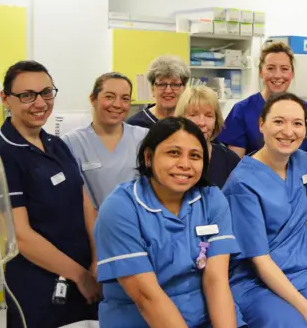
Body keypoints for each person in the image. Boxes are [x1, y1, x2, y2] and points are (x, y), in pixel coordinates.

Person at [94, 117, 241, 328]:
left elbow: (216, 280)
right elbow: (147, 298)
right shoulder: (120, 208)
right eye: (173, 153)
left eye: (195, 156)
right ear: (148, 157)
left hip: (206, 316)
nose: (184, 164)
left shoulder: (211, 198)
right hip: (143, 319)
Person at [223, 92, 307, 328]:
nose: (288, 132)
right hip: (257, 282)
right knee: (297, 323)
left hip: (305, 276)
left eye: (297, 123)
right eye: (279, 121)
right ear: (262, 125)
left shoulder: (306, 163)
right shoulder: (242, 183)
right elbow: (260, 261)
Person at [0, 61, 101, 328]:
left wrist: (98, 259)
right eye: (27, 95)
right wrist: (79, 276)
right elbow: (21, 235)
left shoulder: (56, 143)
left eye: (47, 92)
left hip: (86, 275)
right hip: (40, 285)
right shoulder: (0, 153)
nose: (40, 103)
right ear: (6, 99)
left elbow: (85, 203)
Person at [217, 42, 307, 157]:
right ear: (261, 72)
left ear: (292, 74)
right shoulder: (242, 111)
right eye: (271, 68)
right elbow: (235, 164)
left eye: (284, 69)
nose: (277, 75)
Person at [62, 72, 148, 208]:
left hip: (135, 224)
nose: (117, 105)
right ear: (93, 99)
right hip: (90, 225)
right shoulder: (72, 143)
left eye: (125, 98)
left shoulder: (144, 138)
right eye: (109, 97)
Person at [175, 86, 240, 187]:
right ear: (181, 118)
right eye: (193, 115)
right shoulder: (169, 157)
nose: (202, 122)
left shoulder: (230, 160)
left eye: (209, 116)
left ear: (216, 121)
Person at [127, 55, 190, 128]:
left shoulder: (192, 121)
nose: (168, 91)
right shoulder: (135, 124)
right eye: (162, 84)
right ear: (152, 89)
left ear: (184, 88)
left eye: (175, 84)